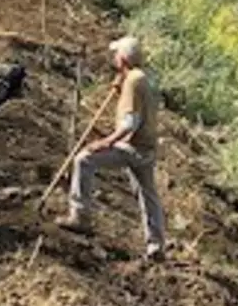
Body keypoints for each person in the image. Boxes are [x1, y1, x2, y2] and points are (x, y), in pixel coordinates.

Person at [58, 34, 166, 260]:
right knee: (148, 194)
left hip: (133, 148)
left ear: (124, 59)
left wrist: (105, 142)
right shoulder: (141, 78)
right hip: (147, 148)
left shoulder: (133, 82)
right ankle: (155, 245)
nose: (113, 58)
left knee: (83, 160)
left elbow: (131, 123)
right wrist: (121, 87)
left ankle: (80, 216)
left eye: (116, 54)